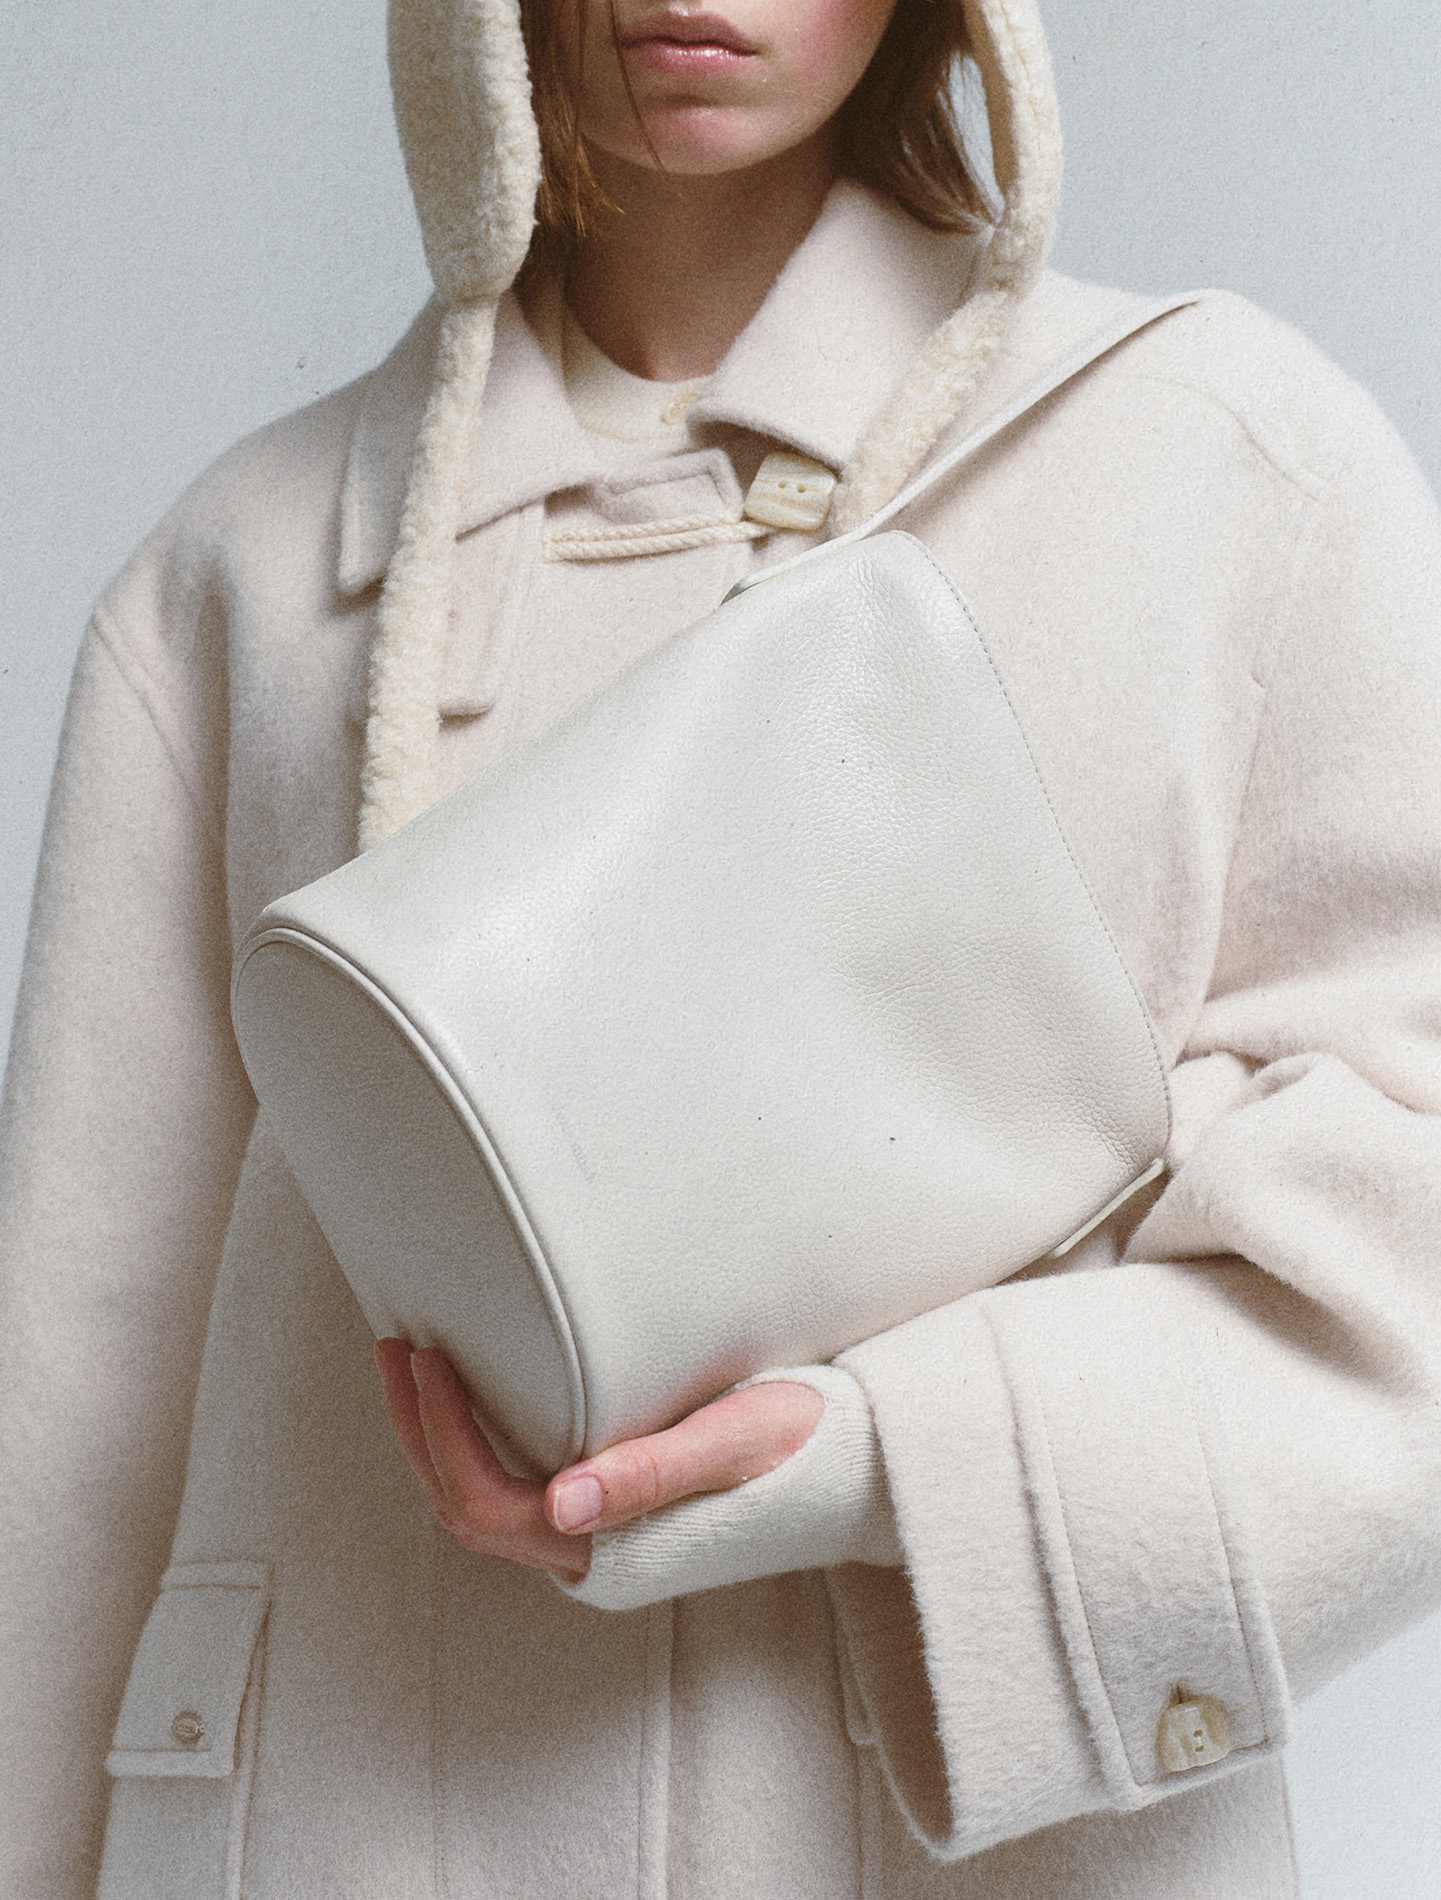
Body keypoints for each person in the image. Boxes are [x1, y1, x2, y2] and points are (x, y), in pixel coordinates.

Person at [2, 0, 1439, 1895]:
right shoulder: (240, 581)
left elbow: (1405, 1248)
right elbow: (75, 1420)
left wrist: (874, 1458)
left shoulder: (1218, 466)